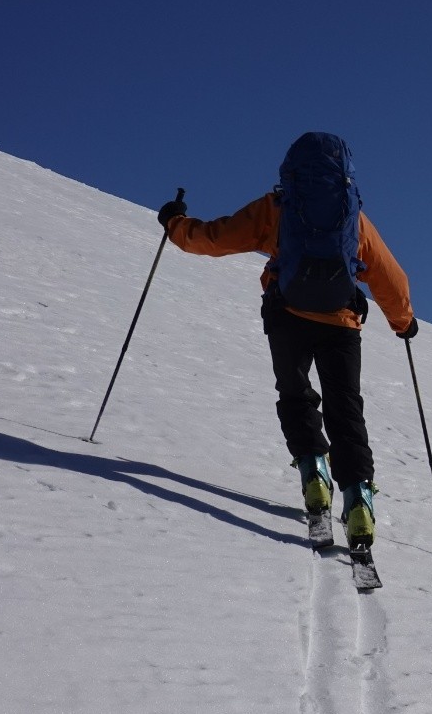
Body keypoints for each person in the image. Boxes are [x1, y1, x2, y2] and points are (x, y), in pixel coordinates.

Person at [157, 132, 417, 551]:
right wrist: (402, 323)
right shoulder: (352, 218)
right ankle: (358, 499)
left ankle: (314, 472)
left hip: (287, 315)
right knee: (345, 408)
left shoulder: (276, 208)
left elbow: (214, 238)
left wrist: (174, 224)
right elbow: (391, 277)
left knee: (295, 395)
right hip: (342, 324)